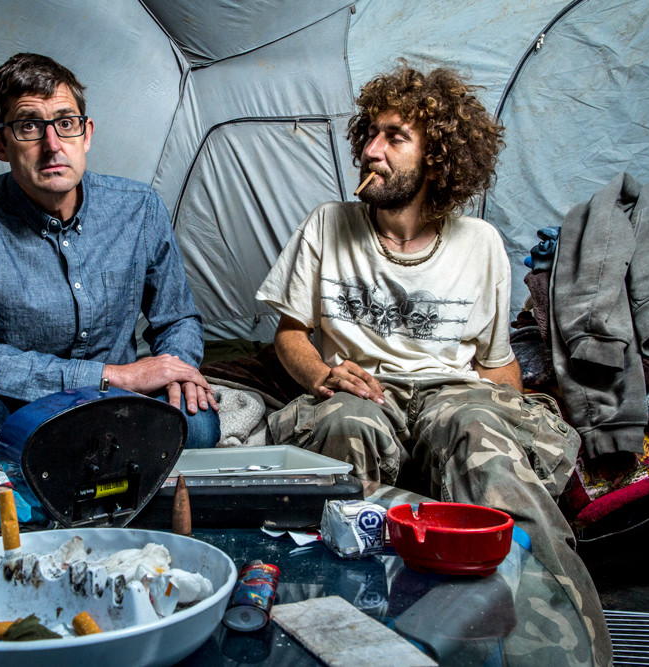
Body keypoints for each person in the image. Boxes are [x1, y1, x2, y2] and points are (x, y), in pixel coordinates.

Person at [256, 63, 611, 666]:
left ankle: (559, 648)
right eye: (369, 132)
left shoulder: (481, 244)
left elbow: (498, 367)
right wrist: (321, 375)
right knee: (346, 425)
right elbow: (289, 333)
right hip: (364, 391)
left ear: (437, 160)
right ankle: (341, 636)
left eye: (395, 137)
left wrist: (507, 419)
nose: (370, 149)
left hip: (453, 391)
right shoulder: (328, 224)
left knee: (477, 436)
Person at [0, 53, 219, 449]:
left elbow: (178, 318)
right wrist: (113, 375)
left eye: (66, 124)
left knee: (196, 427)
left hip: (118, 402)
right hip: (17, 402)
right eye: (29, 126)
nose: (52, 145)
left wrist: (176, 369)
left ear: (87, 134)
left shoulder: (139, 207)